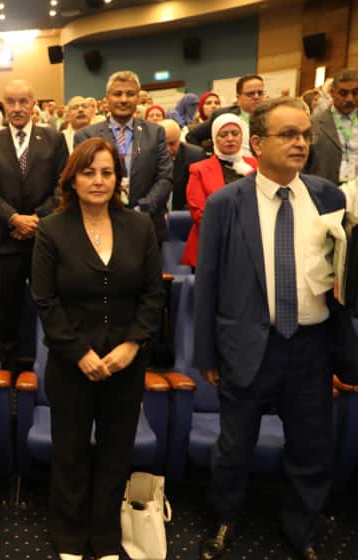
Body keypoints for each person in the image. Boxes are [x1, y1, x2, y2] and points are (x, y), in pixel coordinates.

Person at [194, 97, 344, 560]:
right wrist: (207, 355)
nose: (301, 143)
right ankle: (225, 518)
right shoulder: (225, 203)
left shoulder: (328, 197)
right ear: (257, 144)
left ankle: (302, 528)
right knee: (234, 446)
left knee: (311, 445)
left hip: (311, 345)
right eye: (289, 134)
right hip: (247, 344)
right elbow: (207, 284)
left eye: (306, 135)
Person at [32, 137, 164, 560]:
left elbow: (153, 296)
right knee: (69, 452)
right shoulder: (52, 229)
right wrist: (79, 353)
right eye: (88, 172)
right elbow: (45, 300)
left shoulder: (139, 226)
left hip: (126, 363)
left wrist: (132, 344)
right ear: (72, 179)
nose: (98, 180)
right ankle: (69, 536)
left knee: (115, 453)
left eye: (107, 172)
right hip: (71, 363)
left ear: (118, 179)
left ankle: (105, 537)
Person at [0, 79, 69, 373]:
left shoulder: (54, 139)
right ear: (3, 105)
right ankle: (9, 372)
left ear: (34, 104)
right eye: (11, 102)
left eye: (23, 102)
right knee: (7, 310)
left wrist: (36, 219)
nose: (17, 108)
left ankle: (50, 368)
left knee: (49, 305)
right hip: (6, 240)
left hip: (46, 239)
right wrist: (14, 218)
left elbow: (63, 186)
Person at [75, 70, 174, 243]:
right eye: (117, 94)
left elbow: (165, 177)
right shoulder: (86, 136)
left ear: (138, 98)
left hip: (147, 224)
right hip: (100, 224)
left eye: (130, 94)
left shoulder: (155, 132)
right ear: (107, 98)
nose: (124, 99)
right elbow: (81, 180)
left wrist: (141, 209)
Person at [181, 114, 257, 267]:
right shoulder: (199, 170)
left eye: (235, 133)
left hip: (253, 243)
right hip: (213, 245)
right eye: (223, 135)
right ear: (214, 138)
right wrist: (235, 232)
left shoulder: (256, 166)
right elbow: (200, 214)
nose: (230, 138)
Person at [186, 75, 266, 157]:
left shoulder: (270, 117)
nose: (256, 97)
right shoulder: (222, 115)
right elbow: (192, 136)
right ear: (238, 98)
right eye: (250, 94)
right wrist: (205, 158)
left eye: (260, 93)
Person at [306, 68, 358, 184]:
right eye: (343, 93)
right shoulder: (313, 124)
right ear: (332, 92)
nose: (350, 99)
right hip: (324, 189)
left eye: (355, 93)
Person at [160, 119, 207, 211]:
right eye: (163, 144)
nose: (168, 149)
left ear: (179, 140)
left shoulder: (195, 156)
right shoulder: (149, 156)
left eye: (172, 144)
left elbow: (198, 195)